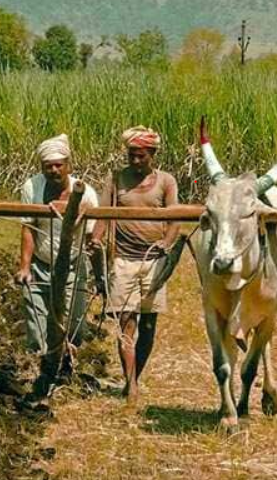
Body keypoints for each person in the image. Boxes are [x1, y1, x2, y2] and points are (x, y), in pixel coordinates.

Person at [88, 126, 180, 403]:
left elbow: (175, 219)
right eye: (131, 155)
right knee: (126, 322)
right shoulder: (116, 179)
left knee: (149, 326)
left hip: (153, 261)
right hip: (123, 260)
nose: (136, 161)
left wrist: (167, 241)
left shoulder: (166, 181)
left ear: (152, 155)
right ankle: (130, 383)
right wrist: (96, 239)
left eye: (141, 156)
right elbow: (103, 214)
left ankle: (135, 376)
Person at [15, 134, 99, 368]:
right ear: (41, 167)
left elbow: (94, 234)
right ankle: (40, 365)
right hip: (41, 262)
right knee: (37, 318)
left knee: (72, 323)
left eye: (58, 165)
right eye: (48, 166)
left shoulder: (87, 193)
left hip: (73, 263)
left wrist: (100, 267)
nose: (53, 170)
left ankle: (69, 364)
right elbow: (28, 228)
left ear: (68, 165)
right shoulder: (32, 187)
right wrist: (24, 267)